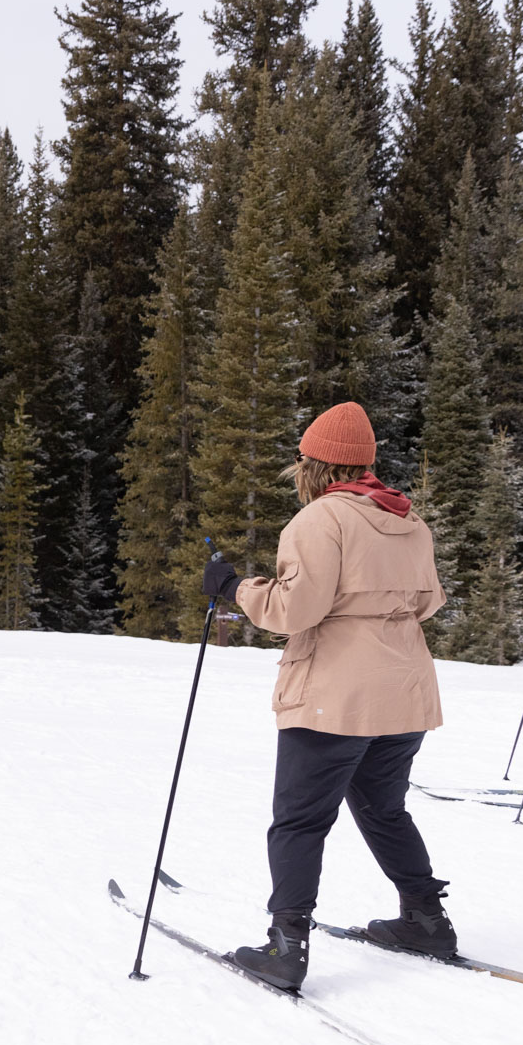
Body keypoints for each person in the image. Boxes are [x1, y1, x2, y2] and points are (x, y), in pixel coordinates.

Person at [202, 402, 455, 992]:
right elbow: (429, 602)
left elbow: (294, 610)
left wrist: (235, 587)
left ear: (315, 465)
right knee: (382, 807)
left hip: (334, 697)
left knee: (299, 820)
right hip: (404, 690)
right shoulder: (408, 520)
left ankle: (285, 948)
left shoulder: (321, 521)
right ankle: (426, 919)